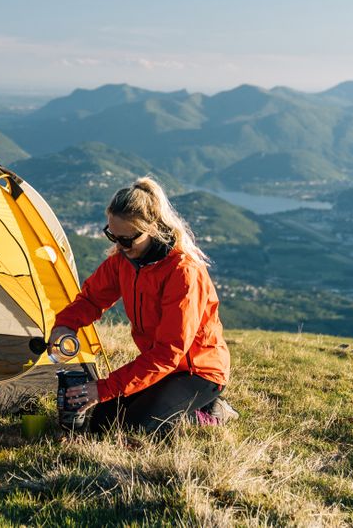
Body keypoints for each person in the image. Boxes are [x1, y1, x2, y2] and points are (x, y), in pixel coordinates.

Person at [49, 177, 229, 435]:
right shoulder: (123, 260)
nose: (118, 246)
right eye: (113, 236)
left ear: (151, 229)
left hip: (197, 372)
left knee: (136, 429)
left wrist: (103, 388)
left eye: (126, 240)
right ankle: (176, 407)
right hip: (159, 368)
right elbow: (91, 299)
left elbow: (169, 352)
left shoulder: (183, 273)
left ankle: (209, 412)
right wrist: (65, 325)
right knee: (103, 422)